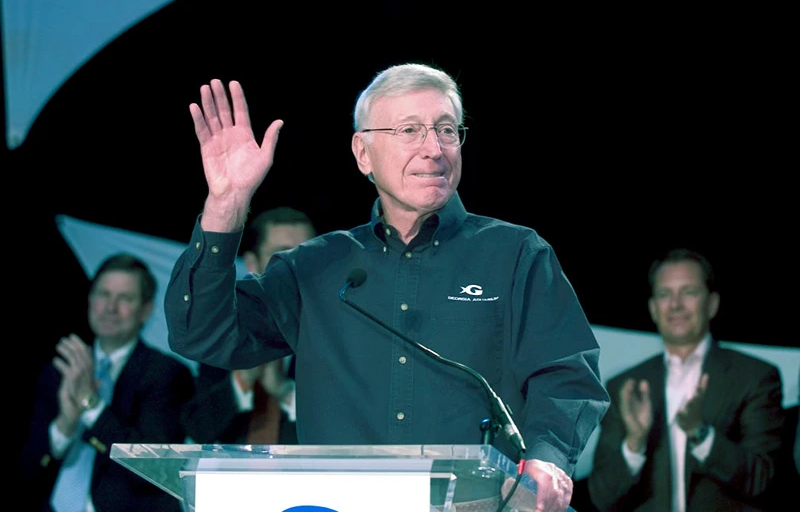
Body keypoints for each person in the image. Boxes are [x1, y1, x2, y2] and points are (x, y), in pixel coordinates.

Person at [164, 62, 610, 512]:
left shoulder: (515, 254)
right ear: (363, 153)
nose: (433, 148)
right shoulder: (315, 267)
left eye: (447, 130)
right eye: (410, 130)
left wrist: (547, 460)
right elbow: (202, 333)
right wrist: (226, 204)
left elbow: (566, 376)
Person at [587, 248, 785, 511]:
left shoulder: (755, 377)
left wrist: (700, 434)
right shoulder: (626, 386)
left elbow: (762, 479)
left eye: (688, 292)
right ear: (653, 308)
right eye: (664, 294)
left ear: (712, 304)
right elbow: (601, 497)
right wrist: (634, 442)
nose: (675, 304)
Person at [21, 253, 195, 512]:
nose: (110, 307)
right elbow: (31, 466)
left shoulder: (166, 374)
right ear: (90, 299)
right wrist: (66, 425)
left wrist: (91, 406)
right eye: (103, 294)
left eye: (124, 298)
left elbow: (153, 467)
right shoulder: (61, 369)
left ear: (145, 310)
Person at [181, 206, 317, 446]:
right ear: (252, 263)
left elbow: (354, 425)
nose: (297, 266)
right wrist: (240, 383)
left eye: (306, 254)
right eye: (282, 255)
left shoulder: (334, 331)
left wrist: (285, 393)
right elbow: (196, 428)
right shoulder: (225, 332)